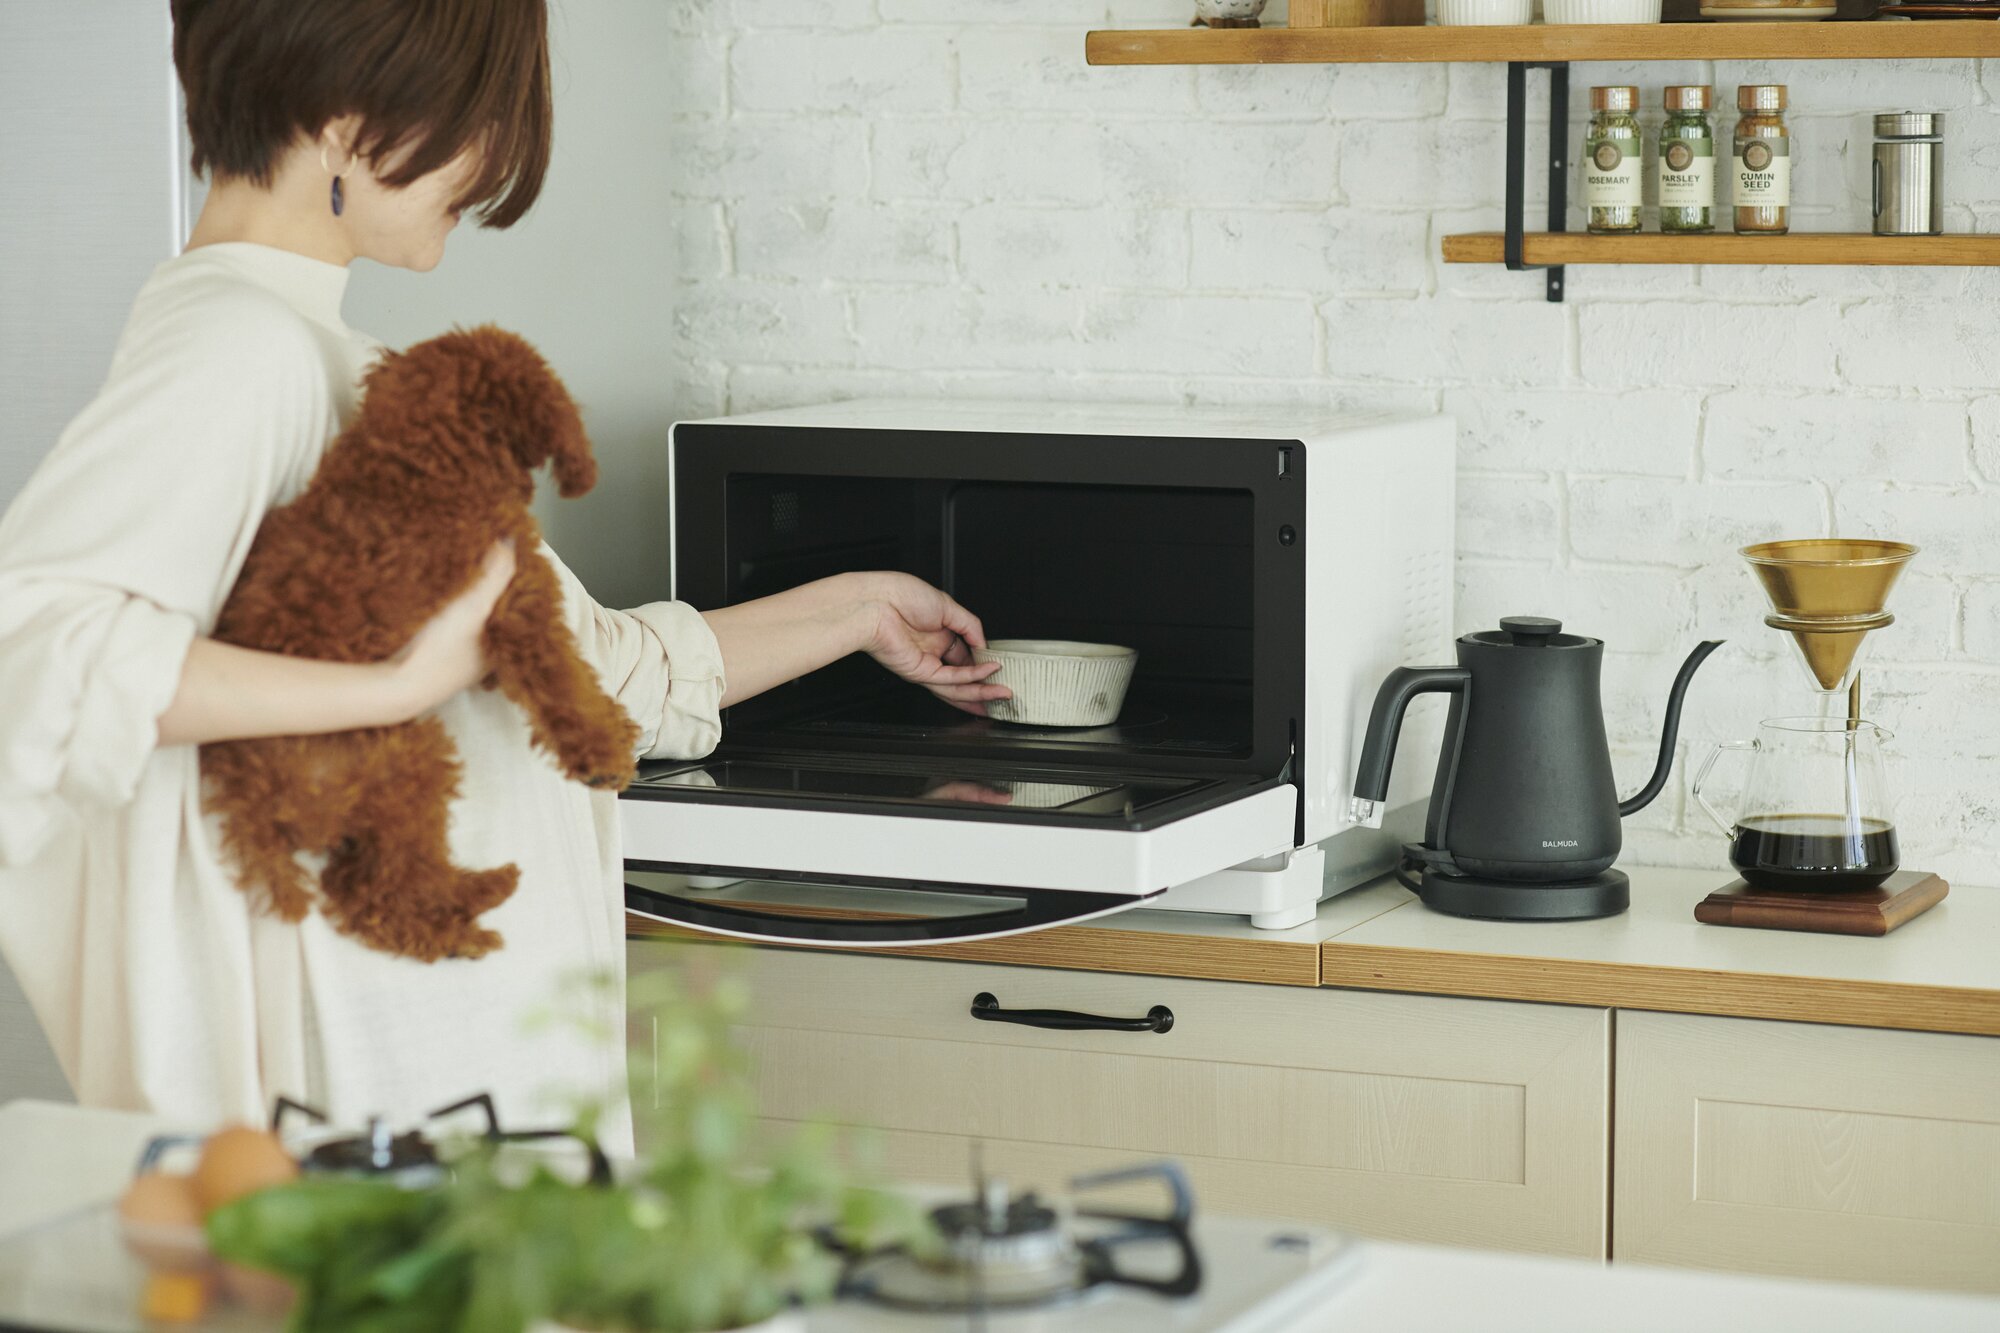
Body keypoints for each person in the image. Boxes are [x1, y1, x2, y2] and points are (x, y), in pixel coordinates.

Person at [0, 0, 1005, 1150]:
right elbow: (40, 655)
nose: (490, 162)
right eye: (477, 113)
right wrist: (390, 691)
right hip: (373, 1091)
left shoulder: (312, 355)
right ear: (342, 118)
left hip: (435, 1068)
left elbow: (584, 676)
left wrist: (859, 609)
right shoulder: (241, 352)